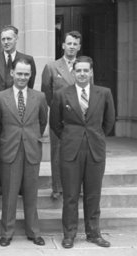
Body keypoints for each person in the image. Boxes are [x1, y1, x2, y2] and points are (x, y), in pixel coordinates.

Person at [50, 56, 115, 249]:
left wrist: (95, 136)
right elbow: (55, 123)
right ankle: (69, 234)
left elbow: (109, 122)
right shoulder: (62, 94)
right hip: (71, 151)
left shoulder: (104, 93)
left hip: (95, 150)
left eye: (86, 70)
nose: (82, 74)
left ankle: (93, 233)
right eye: (78, 70)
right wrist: (71, 137)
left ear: (91, 72)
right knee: (70, 195)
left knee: (93, 194)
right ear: (74, 72)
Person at [0, 58, 47, 247]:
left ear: (30, 75)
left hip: (32, 150)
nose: (22, 77)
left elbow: (42, 122)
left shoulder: (39, 97)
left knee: (31, 193)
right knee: (9, 194)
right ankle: (7, 233)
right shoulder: (0, 97)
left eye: (26, 74)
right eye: (19, 73)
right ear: (12, 73)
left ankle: (34, 232)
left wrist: (32, 138)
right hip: (10, 150)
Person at [0, 25, 37, 199]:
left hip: (19, 112)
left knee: (20, 149)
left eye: (9, 38)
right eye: (3, 39)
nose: (6, 42)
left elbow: (29, 84)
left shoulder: (27, 59)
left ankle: (20, 187)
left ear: (16, 39)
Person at [41, 31, 82, 200]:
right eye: (69, 43)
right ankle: (57, 188)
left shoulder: (84, 66)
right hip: (60, 117)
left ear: (79, 47)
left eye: (75, 44)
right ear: (63, 45)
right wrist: (59, 111)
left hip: (80, 119)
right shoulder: (52, 67)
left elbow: (90, 92)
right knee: (57, 153)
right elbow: (46, 93)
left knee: (78, 153)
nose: (71, 47)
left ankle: (76, 188)